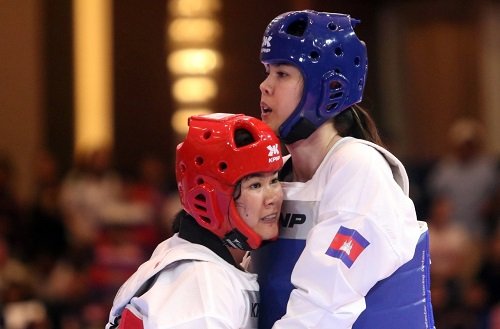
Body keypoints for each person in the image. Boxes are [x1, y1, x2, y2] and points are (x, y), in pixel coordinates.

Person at [251, 10, 435, 329]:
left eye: (282, 73)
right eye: (267, 71)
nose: (265, 86)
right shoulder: (275, 176)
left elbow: (323, 306)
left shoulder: (359, 168)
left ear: (325, 87)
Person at [106, 113, 284, 329]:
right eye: (255, 185)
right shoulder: (205, 288)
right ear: (210, 198)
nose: (273, 197)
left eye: (274, 180)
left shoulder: (183, 253)